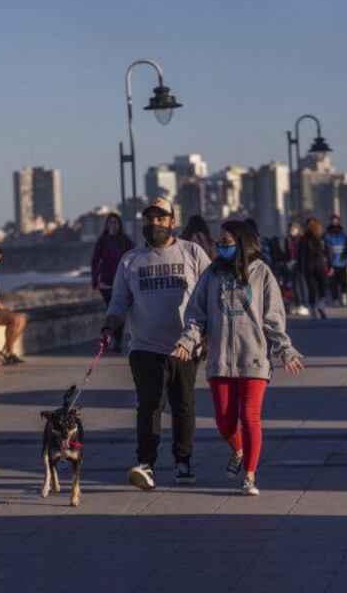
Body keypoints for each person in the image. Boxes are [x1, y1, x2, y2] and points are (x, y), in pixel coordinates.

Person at [174, 220, 303, 496]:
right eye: (220, 242)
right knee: (224, 421)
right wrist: (188, 340)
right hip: (219, 360)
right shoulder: (211, 274)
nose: (221, 247)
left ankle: (249, 476)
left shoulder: (262, 274)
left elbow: (273, 319)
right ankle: (240, 450)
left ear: (243, 243)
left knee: (250, 416)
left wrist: (285, 350)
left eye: (227, 242)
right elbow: (196, 314)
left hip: (254, 359)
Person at [101, 197, 211, 490]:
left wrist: (208, 335)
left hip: (185, 346)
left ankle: (182, 461)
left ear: (173, 221)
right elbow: (120, 299)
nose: (155, 224)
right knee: (149, 407)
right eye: (150, 219)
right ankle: (145, 463)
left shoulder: (193, 253)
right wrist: (111, 324)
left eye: (161, 218)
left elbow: (210, 294)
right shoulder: (130, 260)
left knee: (183, 406)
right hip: (144, 347)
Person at [90, 213, 133, 352]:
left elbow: (134, 259)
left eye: (116, 222)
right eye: (111, 222)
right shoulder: (102, 241)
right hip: (106, 283)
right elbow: (95, 261)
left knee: (118, 311)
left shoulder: (125, 241)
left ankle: (118, 341)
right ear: (107, 225)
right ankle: (111, 337)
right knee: (111, 311)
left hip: (121, 283)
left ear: (119, 225)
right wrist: (94, 280)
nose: (113, 225)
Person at [298, 217, 330, 319]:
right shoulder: (309, 238)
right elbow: (327, 252)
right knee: (318, 286)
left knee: (317, 286)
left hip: (313, 265)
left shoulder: (319, 237)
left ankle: (317, 306)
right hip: (315, 265)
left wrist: (330, 265)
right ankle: (317, 306)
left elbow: (327, 251)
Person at [283, 220, 309, 314]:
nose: (291, 231)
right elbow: (287, 253)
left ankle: (305, 304)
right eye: (290, 229)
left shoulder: (302, 239)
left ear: (298, 229)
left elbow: (303, 254)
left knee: (302, 285)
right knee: (295, 286)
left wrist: (297, 261)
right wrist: (288, 262)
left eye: (293, 229)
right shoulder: (289, 240)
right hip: (291, 265)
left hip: (300, 265)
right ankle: (298, 304)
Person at [323, 215, 347, 306]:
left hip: (343, 262)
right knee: (332, 282)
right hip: (332, 263)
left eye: (336, 221)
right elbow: (325, 248)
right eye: (332, 221)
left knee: (343, 281)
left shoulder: (344, 235)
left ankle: (344, 294)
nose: (334, 223)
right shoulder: (327, 235)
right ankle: (335, 298)